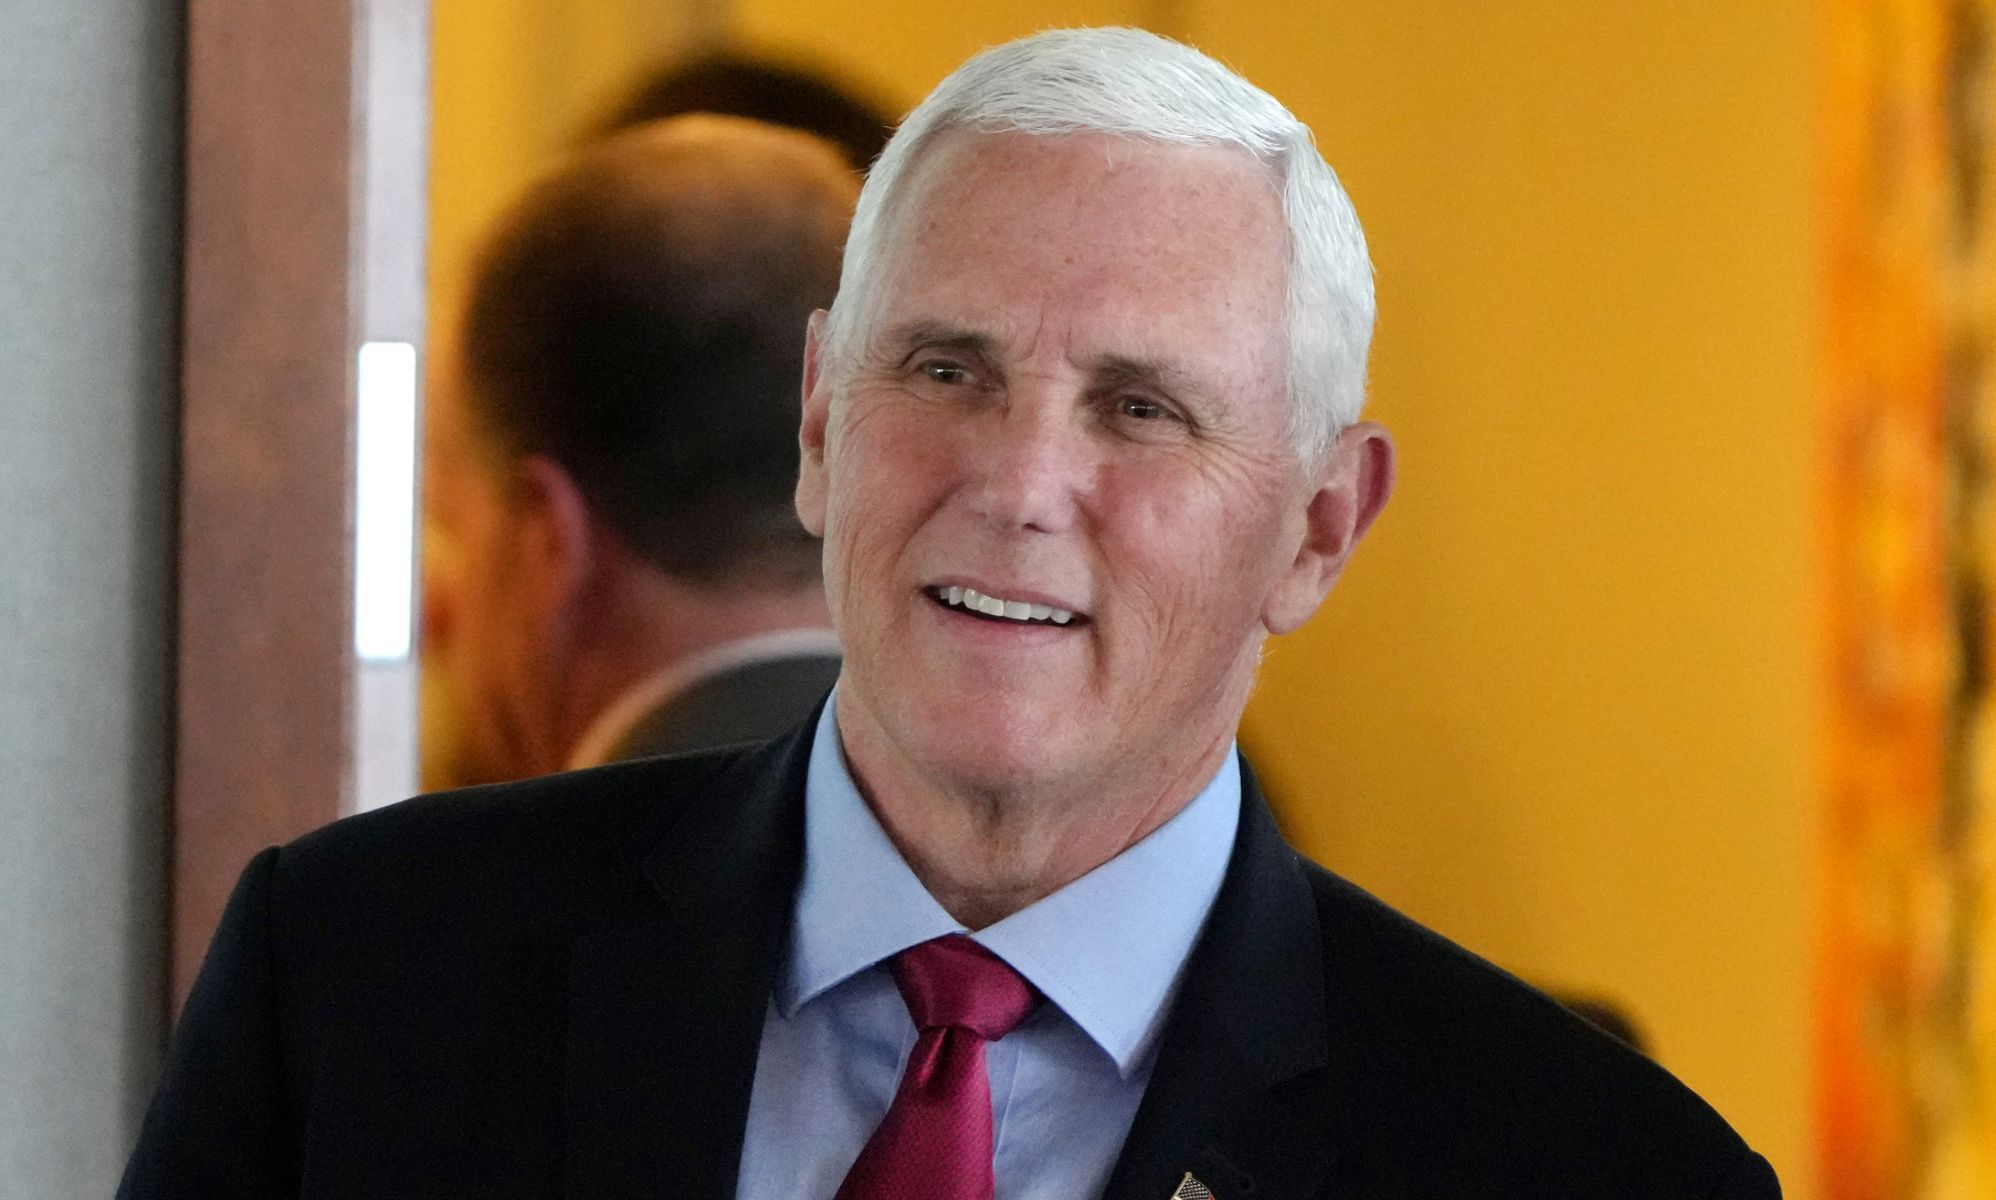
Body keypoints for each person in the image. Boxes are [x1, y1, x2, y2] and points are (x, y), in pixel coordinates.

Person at [121, 28, 1781, 1199]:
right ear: (821, 427)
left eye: (1139, 408)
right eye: (944, 369)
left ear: (1321, 527)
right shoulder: (360, 984)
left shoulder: (1584, 1167)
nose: (1017, 482)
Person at [421, 114, 853, 788]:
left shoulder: (477, 889)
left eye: (450, 527)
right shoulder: (1044, 839)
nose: (435, 608)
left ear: (547, 545)